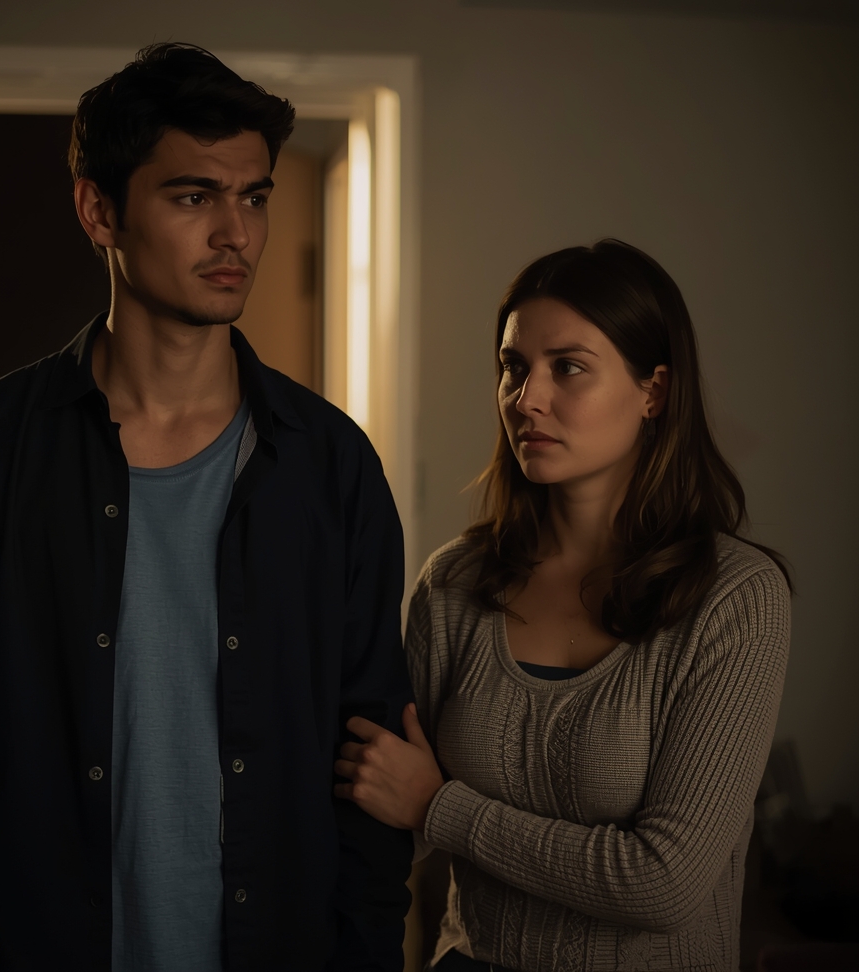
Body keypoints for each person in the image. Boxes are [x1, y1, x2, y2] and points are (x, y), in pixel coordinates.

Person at [0, 43, 413, 972]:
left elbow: (373, 762)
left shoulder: (332, 467)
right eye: (194, 197)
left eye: (254, 197)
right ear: (99, 210)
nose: (236, 234)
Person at [334, 240, 791, 972]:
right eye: (514, 367)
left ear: (654, 391)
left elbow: (663, 882)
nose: (527, 398)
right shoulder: (454, 584)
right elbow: (387, 810)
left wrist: (440, 807)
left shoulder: (734, 597)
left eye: (568, 367)